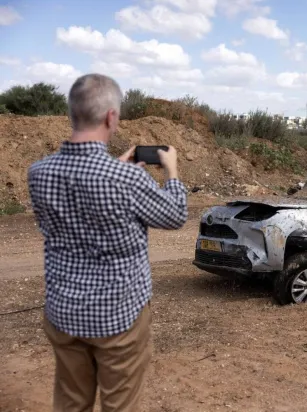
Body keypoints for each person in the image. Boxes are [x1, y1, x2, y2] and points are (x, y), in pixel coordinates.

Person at [27, 73, 188, 412]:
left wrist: (116, 169)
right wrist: (171, 172)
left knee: (71, 403)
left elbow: (81, 199)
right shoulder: (127, 179)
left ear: (72, 112)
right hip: (119, 318)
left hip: (63, 312)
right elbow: (174, 216)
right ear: (111, 117)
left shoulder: (38, 172)